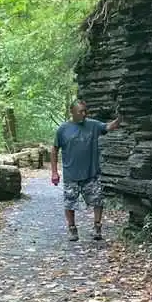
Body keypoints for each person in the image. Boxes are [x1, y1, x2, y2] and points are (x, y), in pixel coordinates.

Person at [51, 99, 120, 241]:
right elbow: (54, 149)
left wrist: (121, 117)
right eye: (80, 111)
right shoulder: (63, 129)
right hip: (71, 174)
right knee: (69, 202)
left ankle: (97, 227)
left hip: (91, 173)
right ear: (72, 112)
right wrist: (54, 172)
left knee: (98, 200)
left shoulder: (93, 125)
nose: (84, 114)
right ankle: (72, 229)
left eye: (85, 111)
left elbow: (109, 127)